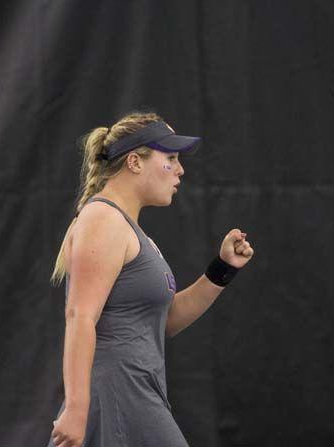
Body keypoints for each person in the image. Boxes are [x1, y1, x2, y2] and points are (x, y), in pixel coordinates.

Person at [47, 111, 254, 447]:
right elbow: (80, 316)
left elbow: (165, 321)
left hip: (137, 392)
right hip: (116, 394)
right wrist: (76, 408)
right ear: (134, 162)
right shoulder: (103, 219)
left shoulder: (131, 232)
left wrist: (223, 268)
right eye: (170, 158)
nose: (180, 170)